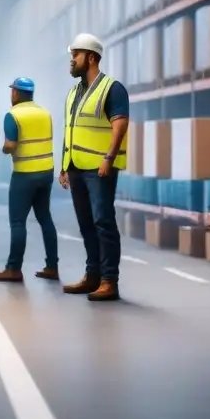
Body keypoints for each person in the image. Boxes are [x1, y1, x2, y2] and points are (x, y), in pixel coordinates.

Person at [59, 33, 129, 302]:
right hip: (77, 167)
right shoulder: (74, 93)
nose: (71, 60)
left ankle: (109, 280)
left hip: (100, 168)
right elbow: (71, 128)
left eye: (75, 55)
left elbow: (120, 124)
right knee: (86, 223)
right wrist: (64, 167)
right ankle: (92, 276)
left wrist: (108, 158)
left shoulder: (112, 88)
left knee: (103, 221)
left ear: (91, 58)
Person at [0, 77, 60, 284]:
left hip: (24, 174)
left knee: (18, 222)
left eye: (12, 91)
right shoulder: (45, 114)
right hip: (46, 173)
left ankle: (13, 268)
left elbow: (10, 145)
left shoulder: (13, 115)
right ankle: (52, 266)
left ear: (16, 93)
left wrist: (3, 149)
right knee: (45, 218)